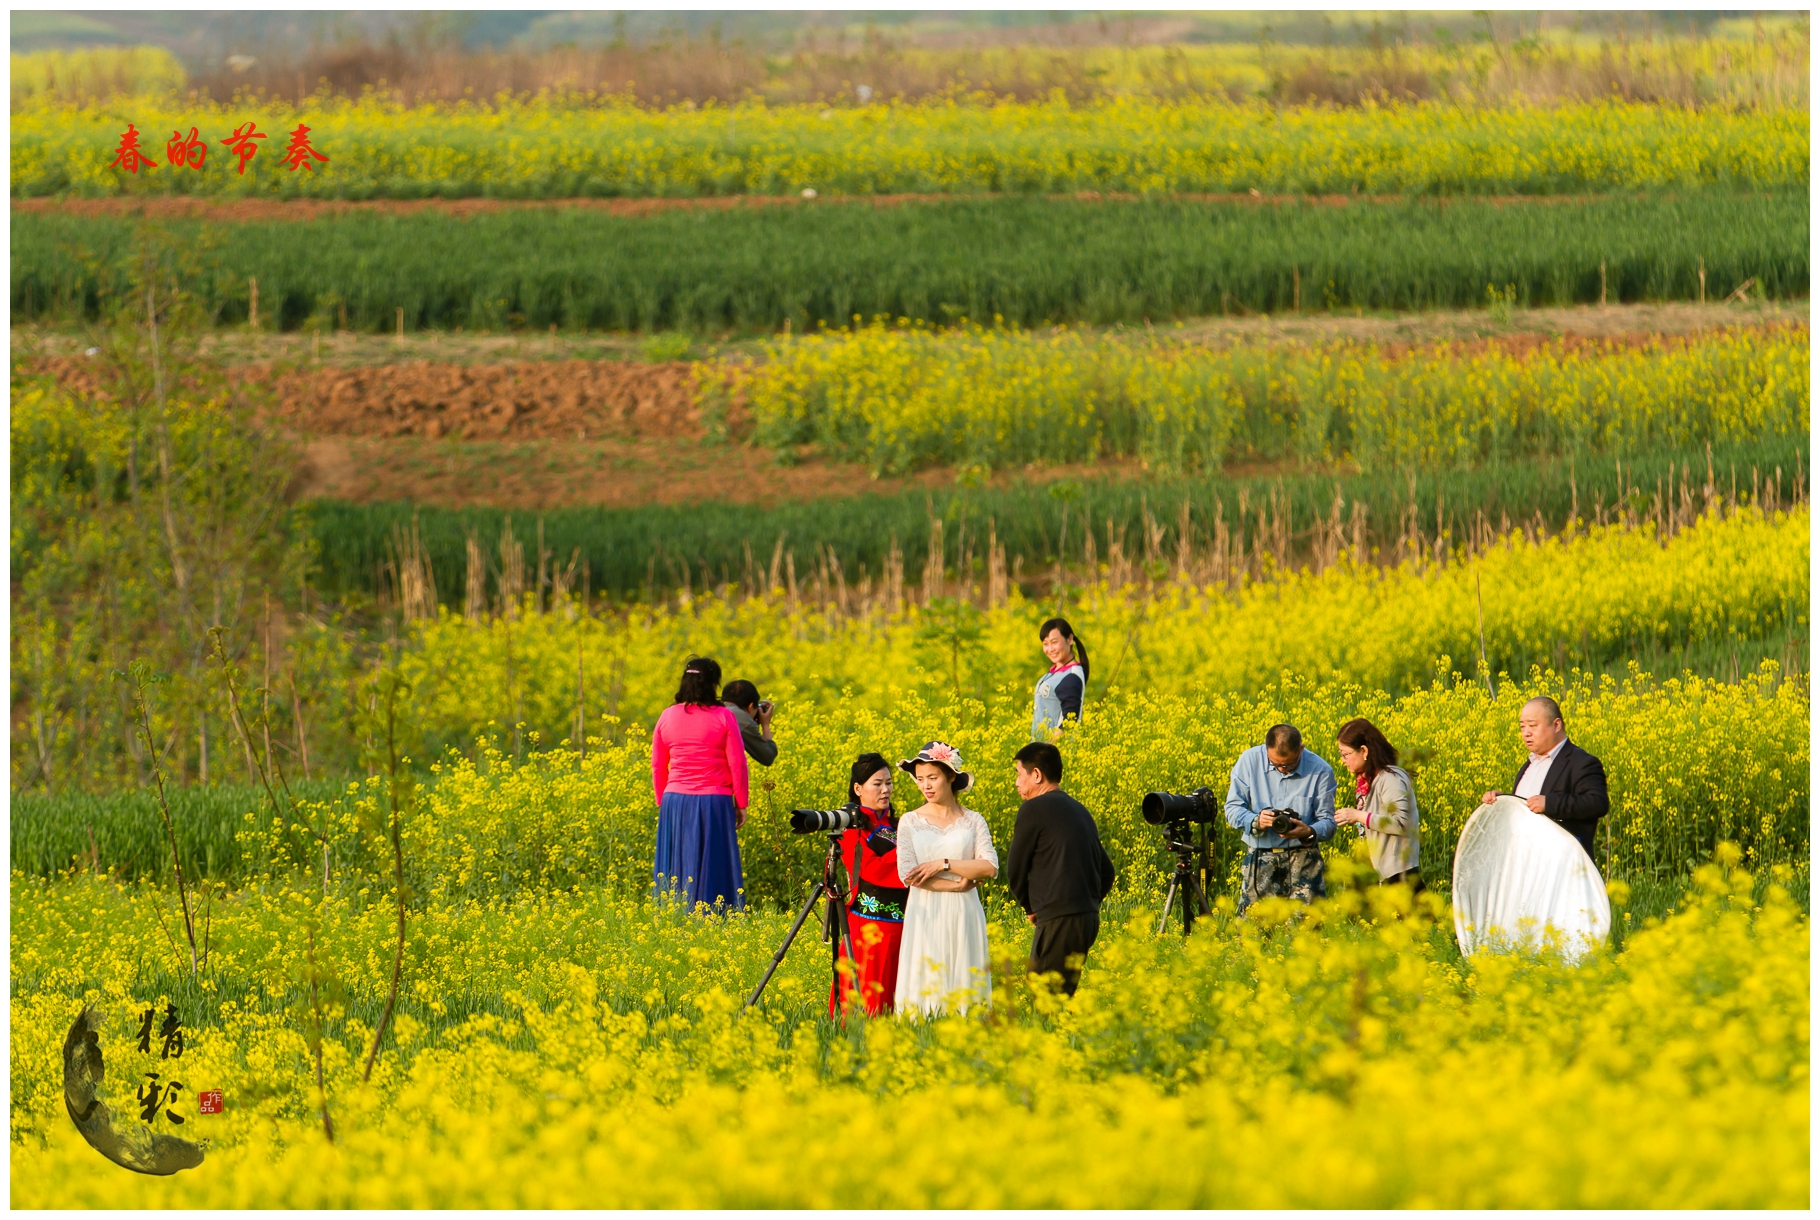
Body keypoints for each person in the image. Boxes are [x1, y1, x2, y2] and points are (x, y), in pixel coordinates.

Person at [894, 741, 999, 1017]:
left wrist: (943, 864)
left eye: (932, 778)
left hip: (964, 912)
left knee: (965, 977)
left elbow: (989, 867)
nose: (925, 786)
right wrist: (956, 884)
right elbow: (909, 874)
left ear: (951, 776)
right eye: (919, 779)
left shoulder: (974, 820)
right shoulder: (909, 820)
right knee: (926, 980)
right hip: (925, 911)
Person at [1004, 741, 1115, 997]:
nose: (1017, 783)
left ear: (1037, 775)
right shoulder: (1080, 809)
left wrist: (1030, 907)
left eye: (1019, 775)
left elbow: (1015, 869)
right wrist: (1084, 904)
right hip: (1087, 919)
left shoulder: (1033, 808)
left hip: (1058, 919)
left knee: (1044, 999)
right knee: (1063, 995)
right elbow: (1107, 871)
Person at [650, 656, 749, 911]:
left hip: (674, 800)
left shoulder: (666, 716)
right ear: (713, 684)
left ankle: (674, 914)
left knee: (676, 863)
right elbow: (737, 764)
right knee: (713, 860)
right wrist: (741, 803)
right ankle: (714, 913)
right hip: (713, 801)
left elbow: (658, 765)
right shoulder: (725, 717)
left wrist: (663, 801)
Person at [1223, 724, 1337, 914]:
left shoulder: (1321, 770)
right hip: (1260, 857)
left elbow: (1328, 821)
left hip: (1304, 859)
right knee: (1253, 931)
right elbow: (1232, 808)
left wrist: (1309, 831)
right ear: (1266, 749)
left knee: (1306, 931)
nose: (1283, 769)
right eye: (1275, 764)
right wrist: (1256, 820)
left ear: (1301, 748)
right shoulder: (1250, 761)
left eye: (1289, 764)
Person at [1480, 696, 1609, 862]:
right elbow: (1525, 809)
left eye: (1533, 725)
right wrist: (1503, 801)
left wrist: (1549, 804)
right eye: (1522, 727)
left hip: (1561, 865)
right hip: (1523, 864)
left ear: (1556, 725)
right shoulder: (1529, 765)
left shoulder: (1581, 762)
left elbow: (1597, 803)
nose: (1526, 732)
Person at [830, 752, 908, 1018]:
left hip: (903, 926)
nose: (885, 789)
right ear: (858, 788)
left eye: (889, 782)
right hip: (868, 927)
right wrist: (912, 853)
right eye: (878, 783)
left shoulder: (898, 824)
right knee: (866, 1002)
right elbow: (873, 870)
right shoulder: (851, 827)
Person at [1331, 718, 1423, 892]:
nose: (1342, 759)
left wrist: (1357, 816)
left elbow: (1401, 823)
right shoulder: (1368, 779)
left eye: (1346, 754)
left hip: (1397, 873)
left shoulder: (1391, 778)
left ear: (1364, 751)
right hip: (1378, 872)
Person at [1031, 617, 1089, 740]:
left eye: (1054, 642)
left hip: (1053, 754)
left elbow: (1069, 722)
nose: (1050, 649)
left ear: (1070, 639)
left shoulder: (1071, 677)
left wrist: (1044, 751)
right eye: (1045, 644)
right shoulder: (1055, 672)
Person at [720, 679, 777, 767]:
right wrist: (765, 725)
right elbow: (768, 756)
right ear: (750, 706)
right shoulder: (741, 718)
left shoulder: (712, 709)